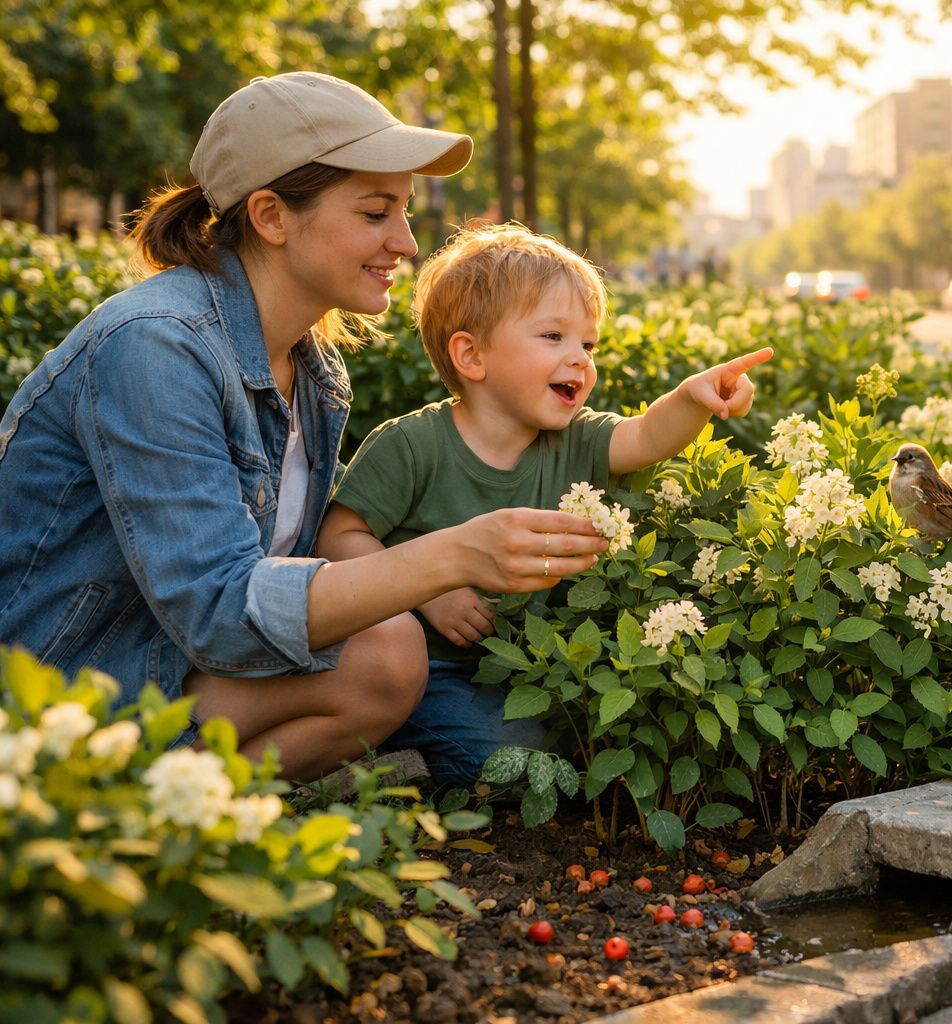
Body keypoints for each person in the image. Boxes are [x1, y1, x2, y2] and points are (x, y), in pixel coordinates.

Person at [0, 72, 610, 782]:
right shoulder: (155, 345)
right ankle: (103, 808)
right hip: (56, 685)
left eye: (405, 212)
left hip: (165, 667)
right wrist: (450, 558)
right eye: (377, 212)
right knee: (389, 648)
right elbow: (223, 610)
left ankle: (176, 814)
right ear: (271, 215)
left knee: (388, 655)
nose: (408, 243)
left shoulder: (313, 370)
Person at [317, 222, 773, 786]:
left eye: (588, 343)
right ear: (471, 355)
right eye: (553, 337)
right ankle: (395, 767)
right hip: (427, 668)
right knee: (516, 758)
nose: (580, 358)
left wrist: (692, 397)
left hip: (536, 667)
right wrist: (428, 588)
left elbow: (648, 435)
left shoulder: (577, 438)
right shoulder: (411, 446)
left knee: (588, 739)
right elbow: (338, 538)